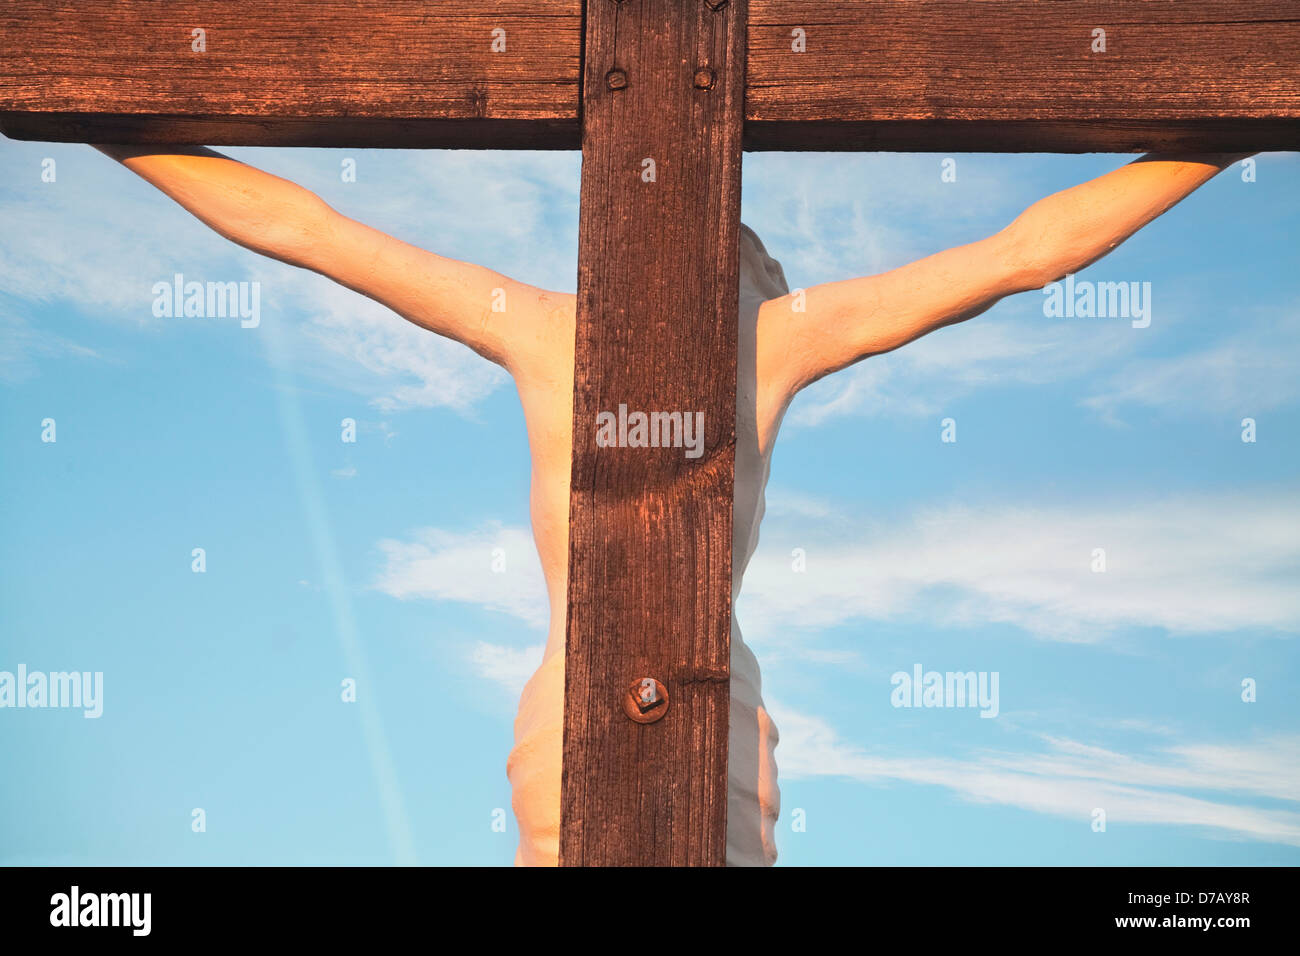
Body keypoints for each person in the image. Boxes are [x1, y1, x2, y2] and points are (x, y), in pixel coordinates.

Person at [94, 145, 1251, 864]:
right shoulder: (748, 336)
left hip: (655, 702)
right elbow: (1020, 252)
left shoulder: (560, 323)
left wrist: (93, 123)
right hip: (634, 705)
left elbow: (314, 230)